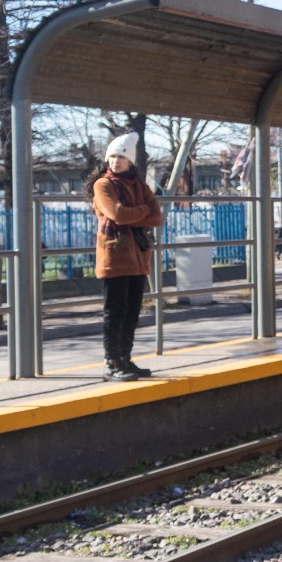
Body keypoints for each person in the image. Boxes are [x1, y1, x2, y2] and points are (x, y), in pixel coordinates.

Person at [87, 132, 163, 381]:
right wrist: (142, 211)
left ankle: (125, 359)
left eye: (121, 157)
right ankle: (111, 363)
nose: (115, 161)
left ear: (130, 161)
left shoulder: (141, 186)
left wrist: (135, 213)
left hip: (139, 258)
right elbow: (117, 214)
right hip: (115, 256)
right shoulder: (103, 185)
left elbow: (157, 218)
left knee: (132, 311)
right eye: (112, 157)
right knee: (115, 310)